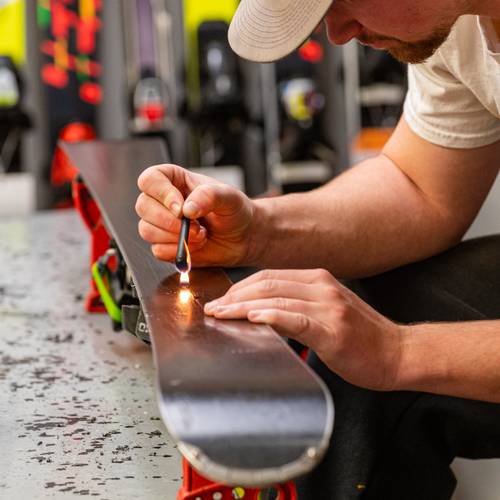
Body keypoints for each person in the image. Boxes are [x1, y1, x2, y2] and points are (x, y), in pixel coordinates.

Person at [135, 1, 500, 498]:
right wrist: (257, 232)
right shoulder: (456, 22)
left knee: (372, 377)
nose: (338, 33)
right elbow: (421, 188)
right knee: (339, 319)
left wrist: (397, 353)